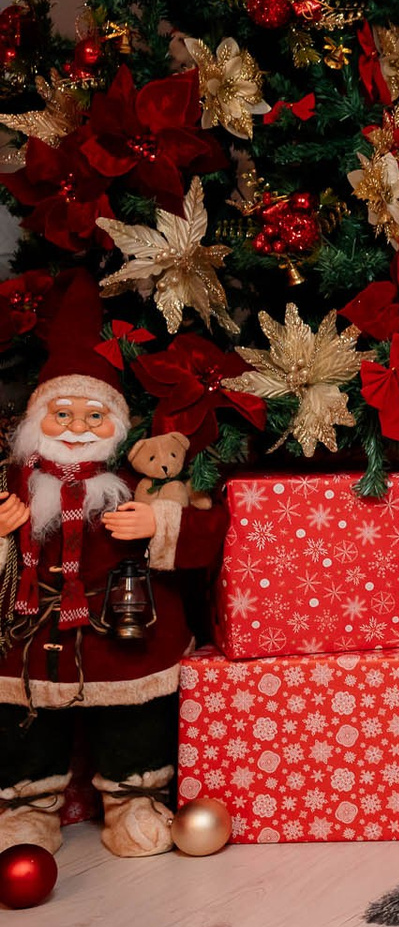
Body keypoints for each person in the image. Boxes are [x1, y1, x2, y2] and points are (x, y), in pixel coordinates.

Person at [0, 274, 229, 857]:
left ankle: (134, 801)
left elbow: (209, 533)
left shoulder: (137, 480)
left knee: (134, 720)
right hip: (31, 636)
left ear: (118, 427)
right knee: (27, 725)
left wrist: (158, 524)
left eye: (93, 416)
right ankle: (28, 809)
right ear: (36, 421)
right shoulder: (11, 482)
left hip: (121, 631)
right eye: (62, 414)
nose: (77, 428)